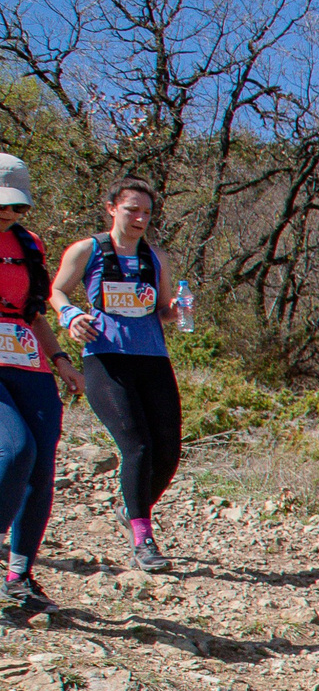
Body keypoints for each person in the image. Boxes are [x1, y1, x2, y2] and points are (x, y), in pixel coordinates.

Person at [52, 177, 183, 574]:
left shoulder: (155, 257)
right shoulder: (87, 249)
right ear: (111, 208)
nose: (140, 218)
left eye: (146, 212)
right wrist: (70, 315)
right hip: (105, 358)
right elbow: (57, 291)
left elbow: (161, 311)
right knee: (137, 446)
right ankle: (143, 539)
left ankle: (131, 509)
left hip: (152, 358)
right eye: (132, 210)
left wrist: (175, 312)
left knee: (168, 452)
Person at [0, 156, 78, 610]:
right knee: (15, 450)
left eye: (17, 207)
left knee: (41, 465)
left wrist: (62, 359)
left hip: (28, 361)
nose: (9, 214)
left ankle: (19, 574)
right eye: (2, 206)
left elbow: (33, 312)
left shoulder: (29, 245)